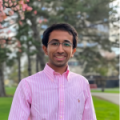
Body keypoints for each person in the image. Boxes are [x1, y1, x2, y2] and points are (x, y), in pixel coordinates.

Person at [9, 23, 96, 120]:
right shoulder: (27, 85)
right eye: (54, 43)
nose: (60, 50)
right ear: (45, 49)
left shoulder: (82, 83)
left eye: (66, 44)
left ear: (73, 51)